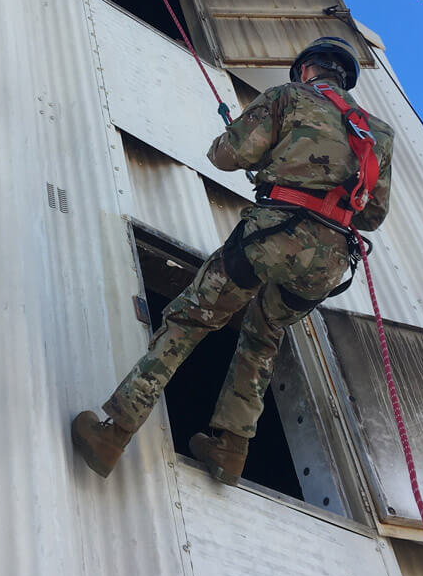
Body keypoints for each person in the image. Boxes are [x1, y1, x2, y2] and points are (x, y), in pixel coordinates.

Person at [71, 37, 394, 486]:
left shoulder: (289, 97)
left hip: (273, 235)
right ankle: (230, 451)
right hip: (330, 262)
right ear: (344, 77)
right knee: (264, 335)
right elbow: (373, 217)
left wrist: (238, 138)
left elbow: (228, 156)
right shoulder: (377, 133)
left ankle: (114, 432)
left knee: (190, 319)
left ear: (305, 70)